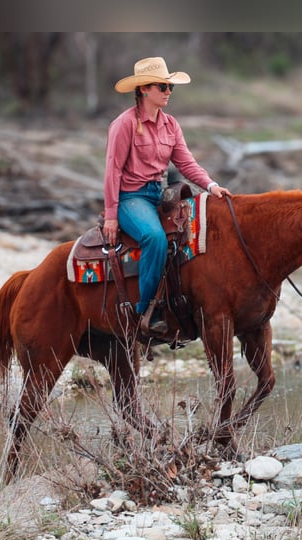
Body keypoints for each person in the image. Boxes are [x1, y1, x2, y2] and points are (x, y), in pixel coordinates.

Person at [103, 56, 231, 335]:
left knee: (198, 233)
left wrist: (211, 186)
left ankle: (183, 301)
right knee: (154, 237)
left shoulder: (171, 125)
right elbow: (112, 171)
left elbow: (186, 163)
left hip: (158, 194)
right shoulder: (124, 125)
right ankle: (146, 312)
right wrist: (111, 216)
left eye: (170, 86)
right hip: (130, 197)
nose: (168, 92)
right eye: (162, 86)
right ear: (144, 89)